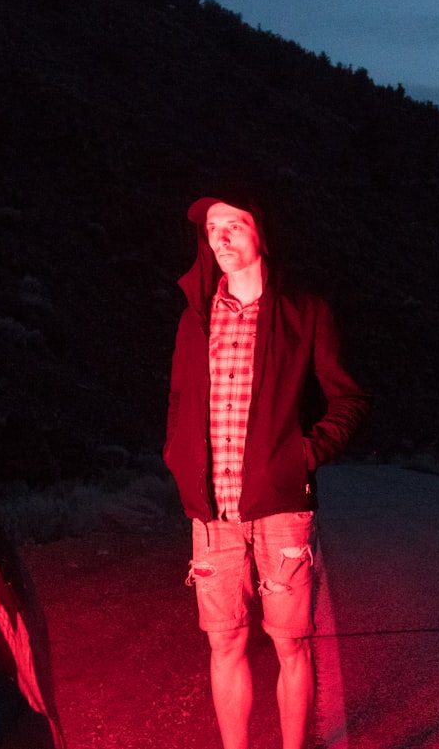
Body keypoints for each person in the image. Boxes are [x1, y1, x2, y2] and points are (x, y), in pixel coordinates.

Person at [163, 185, 369, 749]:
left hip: (282, 509)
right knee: (224, 643)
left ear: (262, 233)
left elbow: (347, 399)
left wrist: (302, 455)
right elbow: (179, 402)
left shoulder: (305, 313)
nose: (220, 237)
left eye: (233, 224)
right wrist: (177, 457)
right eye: (211, 230)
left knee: (290, 644)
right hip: (211, 512)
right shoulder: (194, 320)